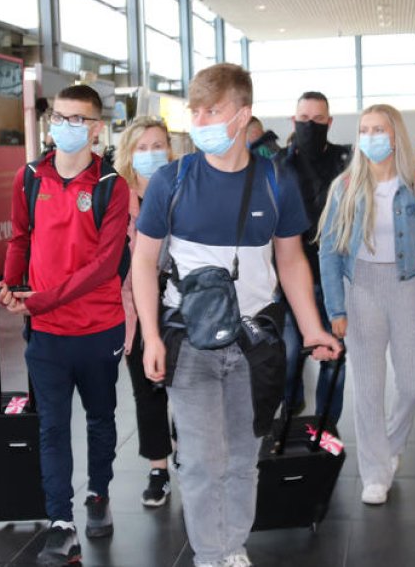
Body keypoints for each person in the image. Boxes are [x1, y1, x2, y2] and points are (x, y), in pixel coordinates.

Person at [133, 64, 341, 567]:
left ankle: (232, 546)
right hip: (191, 340)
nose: (201, 119)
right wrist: (151, 338)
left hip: (254, 344)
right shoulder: (171, 181)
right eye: (196, 110)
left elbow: (289, 259)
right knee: (204, 461)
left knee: (245, 459)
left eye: (213, 110)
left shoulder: (275, 181)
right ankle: (211, 554)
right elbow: (143, 259)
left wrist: (312, 328)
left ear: (243, 114)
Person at [0, 84, 129, 567]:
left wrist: (41, 300)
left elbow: (103, 265)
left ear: (96, 127)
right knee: (51, 427)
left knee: (100, 418)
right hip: (47, 335)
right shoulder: (30, 176)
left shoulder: (113, 186)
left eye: (78, 120)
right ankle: (60, 522)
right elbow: (20, 236)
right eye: (60, 116)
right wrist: (12, 284)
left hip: (98, 329)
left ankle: (98, 493)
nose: (66, 127)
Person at [318, 103, 415, 506]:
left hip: (408, 288)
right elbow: (328, 250)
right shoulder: (345, 187)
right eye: (365, 129)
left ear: (396, 136)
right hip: (362, 288)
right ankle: (375, 471)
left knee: (412, 385)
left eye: (379, 129)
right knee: (369, 388)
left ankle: (390, 444)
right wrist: (336, 309)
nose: (371, 136)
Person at [275, 91, 353, 422]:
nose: (311, 125)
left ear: (330, 122)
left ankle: (326, 427)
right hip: (290, 278)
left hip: (334, 276)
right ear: (294, 121)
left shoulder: (347, 161)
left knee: (334, 356)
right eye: (304, 119)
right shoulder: (277, 163)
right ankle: (291, 417)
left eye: (318, 120)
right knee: (290, 354)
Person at [112, 116, 174, 507]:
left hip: (183, 302)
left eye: (158, 145)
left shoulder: (183, 187)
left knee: (187, 390)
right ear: (129, 152)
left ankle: (191, 455)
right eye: (142, 146)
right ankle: (158, 468)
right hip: (132, 306)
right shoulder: (117, 195)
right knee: (148, 391)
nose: (151, 153)